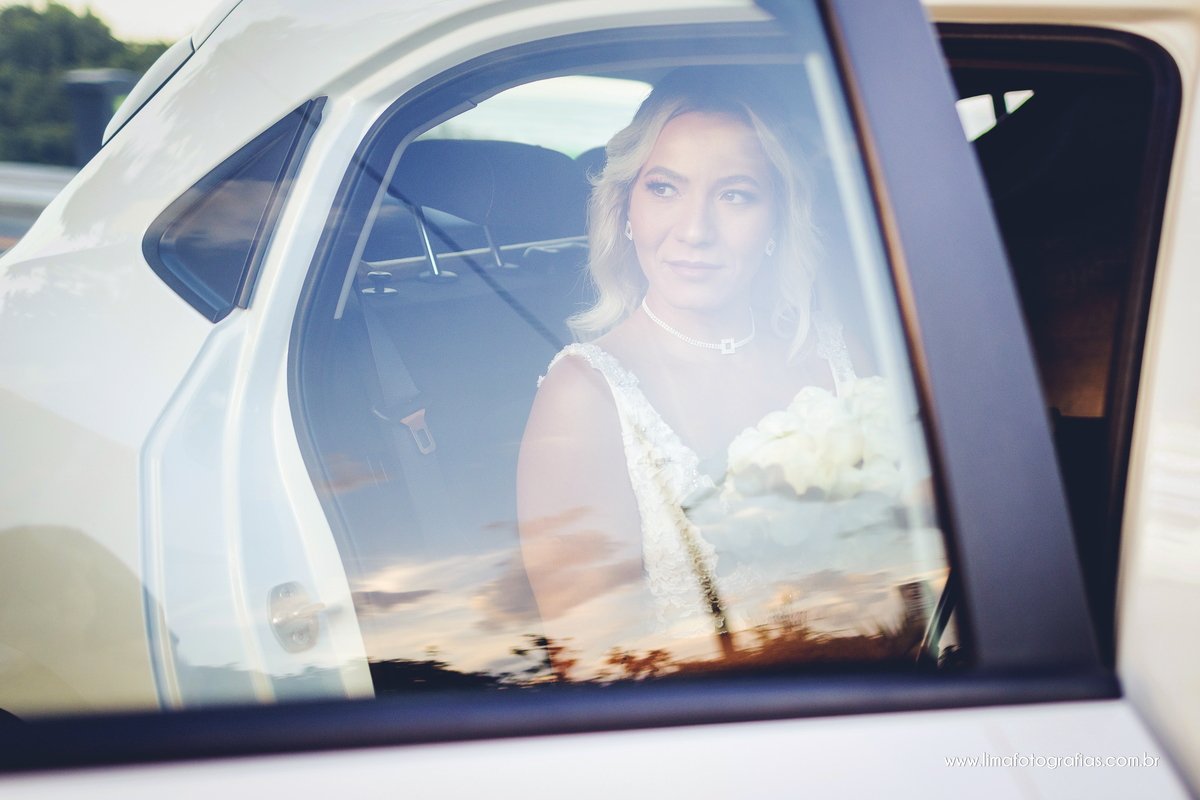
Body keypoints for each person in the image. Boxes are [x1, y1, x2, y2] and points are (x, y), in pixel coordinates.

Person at [516, 68, 854, 657]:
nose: (695, 231)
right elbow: (601, 671)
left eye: (735, 195)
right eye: (665, 188)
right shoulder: (585, 397)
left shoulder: (838, 351)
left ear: (777, 216)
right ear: (626, 206)